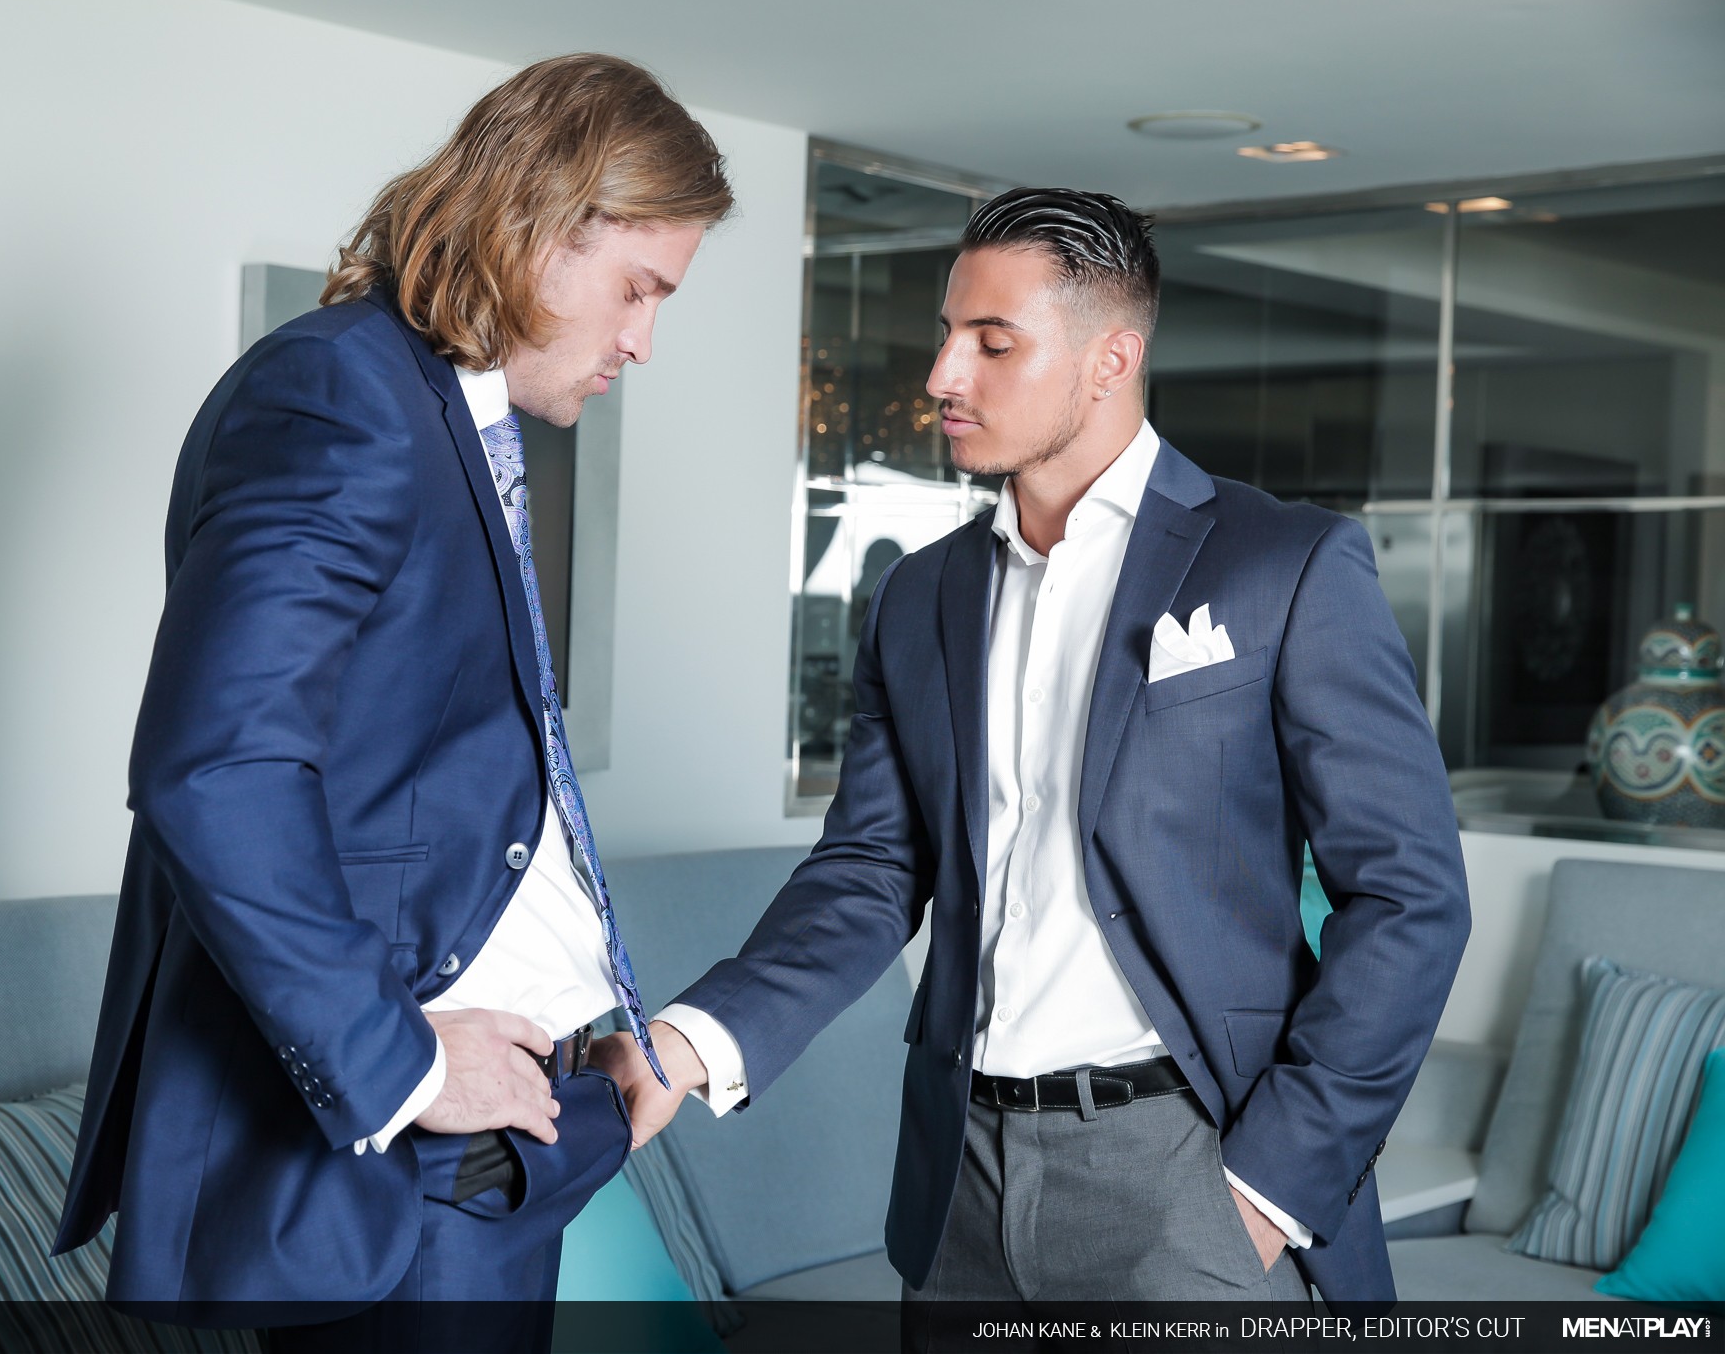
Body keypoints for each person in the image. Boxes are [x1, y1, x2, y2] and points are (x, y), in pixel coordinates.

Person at [599, 188, 1471, 1324]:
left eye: (992, 342)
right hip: (958, 1183)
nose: (941, 375)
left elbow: (1409, 896)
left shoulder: (1285, 565)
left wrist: (1268, 1188)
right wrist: (690, 1039)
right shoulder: (918, 595)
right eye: (946, 334)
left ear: (1112, 358)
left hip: (1191, 1173)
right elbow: (869, 870)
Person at [51, 54, 732, 1351]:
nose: (642, 340)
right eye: (638, 288)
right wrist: (400, 1061)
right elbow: (217, 766)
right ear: (538, 225)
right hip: (409, 1174)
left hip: (511, 1142)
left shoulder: (446, 411)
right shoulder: (340, 394)